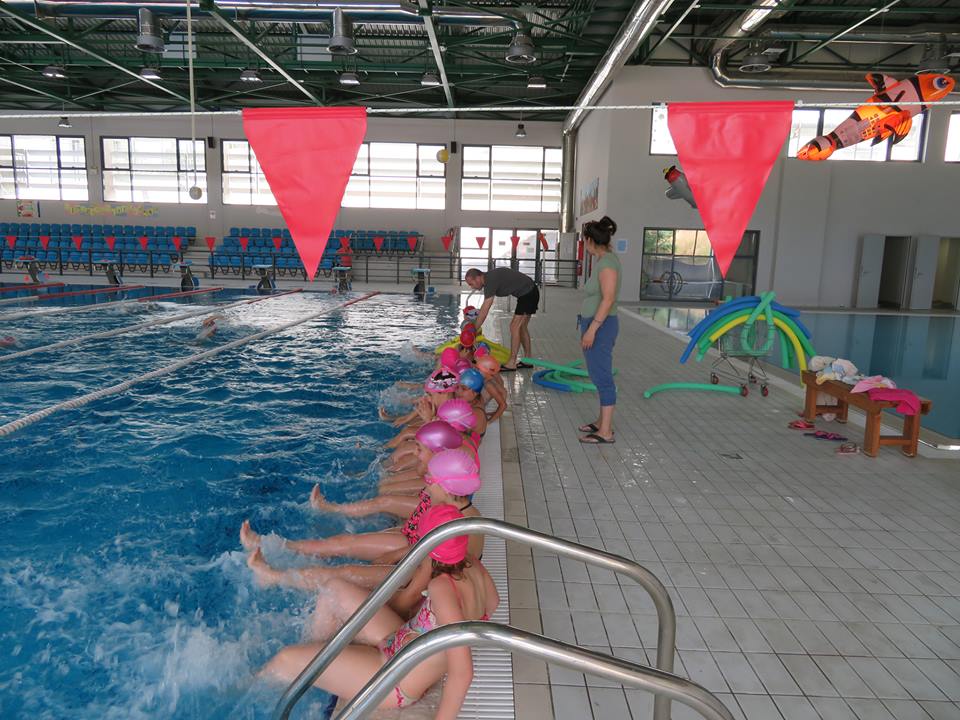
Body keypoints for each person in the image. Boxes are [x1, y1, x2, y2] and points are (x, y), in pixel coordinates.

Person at [258, 504, 499, 718]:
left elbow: (462, 672)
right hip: (399, 642)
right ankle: (316, 667)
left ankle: (257, 684)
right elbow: (492, 604)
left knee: (284, 660)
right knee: (334, 590)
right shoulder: (473, 565)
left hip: (395, 678)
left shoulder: (442, 587)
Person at [577, 216, 621, 445]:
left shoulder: (607, 264)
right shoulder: (603, 260)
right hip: (596, 324)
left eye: (584, 240)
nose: (584, 244)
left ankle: (606, 432)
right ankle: (601, 422)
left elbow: (608, 299)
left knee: (603, 377)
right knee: (597, 374)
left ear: (590, 240)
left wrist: (592, 329)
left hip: (601, 327)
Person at [464, 267, 538, 371]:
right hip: (529, 291)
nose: (472, 287)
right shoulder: (489, 278)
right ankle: (528, 360)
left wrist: (474, 330)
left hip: (528, 293)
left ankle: (512, 362)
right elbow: (483, 309)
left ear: (477, 278)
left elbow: (485, 308)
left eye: (471, 284)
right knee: (521, 327)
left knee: (514, 327)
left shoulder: (490, 281)